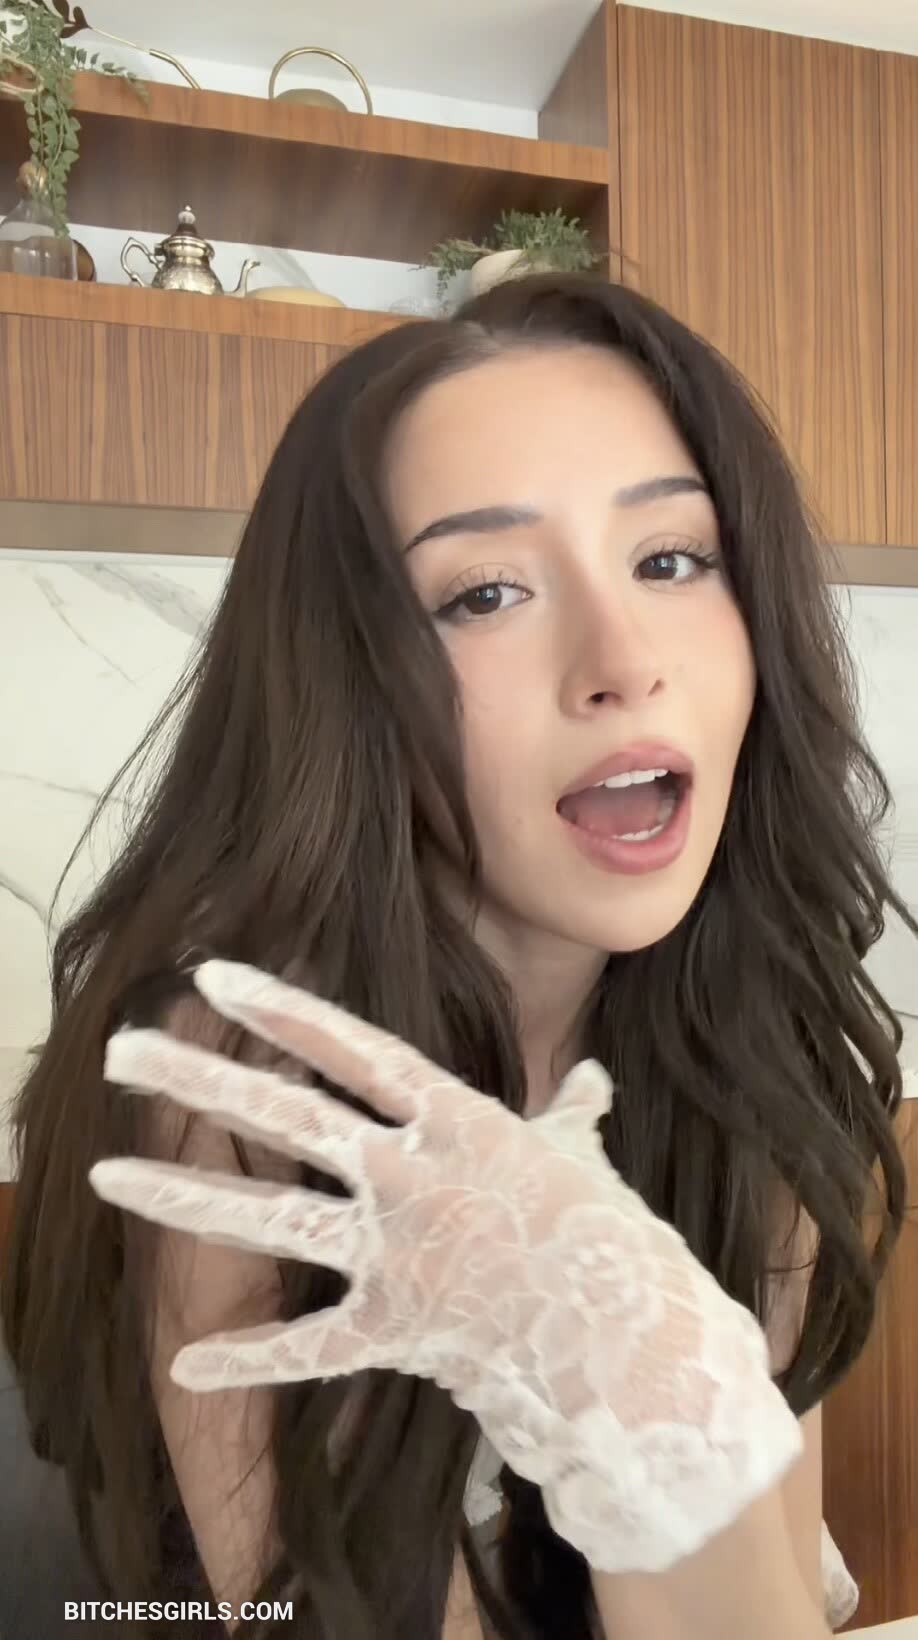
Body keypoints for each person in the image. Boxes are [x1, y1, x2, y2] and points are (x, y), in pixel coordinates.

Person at [2, 274, 913, 1640]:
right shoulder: (245, 1078)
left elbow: (774, 1599)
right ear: (347, 678)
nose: (622, 662)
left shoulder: (752, 1029)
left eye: (671, 560)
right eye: (484, 592)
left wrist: (657, 1410)